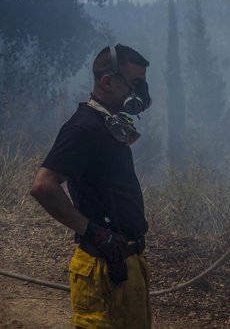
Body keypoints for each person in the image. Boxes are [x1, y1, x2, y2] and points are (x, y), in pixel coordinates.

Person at [30, 44, 153, 329]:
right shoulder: (83, 128)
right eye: (135, 84)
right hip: (101, 271)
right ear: (107, 81)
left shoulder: (108, 123)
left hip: (125, 265)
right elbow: (43, 185)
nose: (142, 93)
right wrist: (93, 231)